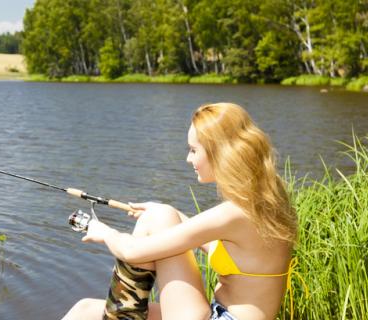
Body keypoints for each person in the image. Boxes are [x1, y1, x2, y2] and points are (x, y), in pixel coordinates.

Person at [62, 103, 302, 320]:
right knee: (85, 310)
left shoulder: (234, 213)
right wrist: (172, 213)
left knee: (159, 216)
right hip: (217, 313)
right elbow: (216, 245)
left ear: (219, 152)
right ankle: (123, 313)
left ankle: (123, 314)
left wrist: (101, 230)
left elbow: (131, 251)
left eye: (193, 150)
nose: (188, 158)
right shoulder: (263, 202)